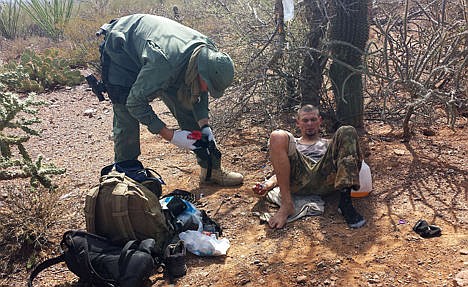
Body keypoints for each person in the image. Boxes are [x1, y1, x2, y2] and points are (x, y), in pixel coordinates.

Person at [97, 14, 243, 186]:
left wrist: (204, 125)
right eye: (208, 85)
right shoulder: (164, 63)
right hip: (121, 52)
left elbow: (199, 90)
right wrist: (169, 134)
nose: (206, 90)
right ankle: (126, 179)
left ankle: (211, 171)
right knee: (125, 115)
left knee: (187, 107)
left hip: (160, 54)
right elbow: (135, 103)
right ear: (200, 71)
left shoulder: (208, 53)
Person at [252, 104, 366, 229]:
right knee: (277, 135)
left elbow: (352, 158)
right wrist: (266, 185)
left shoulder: (330, 144)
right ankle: (286, 204)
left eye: (313, 120)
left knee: (347, 130)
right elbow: (280, 172)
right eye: (305, 120)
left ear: (320, 121)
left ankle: (346, 204)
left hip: (326, 178)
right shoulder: (291, 144)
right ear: (298, 123)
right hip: (299, 181)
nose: (309, 124)